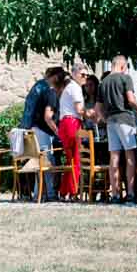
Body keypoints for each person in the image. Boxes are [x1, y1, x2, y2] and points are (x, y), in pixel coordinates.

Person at [99, 56, 137, 203]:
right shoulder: (125, 78)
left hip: (111, 121)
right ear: (123, 66)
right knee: (130, 156)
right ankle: (130, 193)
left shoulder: (103, 82)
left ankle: (115, 194)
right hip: (125, 119)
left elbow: (98, 108)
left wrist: (105, 119)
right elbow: (130, 99)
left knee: (114, 157)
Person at [19, 67, 63, 198]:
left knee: (41, 163)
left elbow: (29, 109)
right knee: (46, 163)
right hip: (42, 131)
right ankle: (49, 193)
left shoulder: (39, 86)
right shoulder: (49, 90)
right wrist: (57, 131)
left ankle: (38, 193)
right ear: (55, 77)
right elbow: (47, 116)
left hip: (34, 129)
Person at [56, 66, 88, 199]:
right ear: (74, 74)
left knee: (71, 160)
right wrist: (92, 114)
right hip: (72, 123)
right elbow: (79, 109)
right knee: (76, 159)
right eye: (82, 74)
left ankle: (64, 191)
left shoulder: (69, 87)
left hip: (65, 123)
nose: (85, 77)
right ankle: (74, 192)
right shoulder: (75, 87)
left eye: (86, 75)